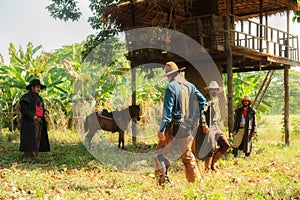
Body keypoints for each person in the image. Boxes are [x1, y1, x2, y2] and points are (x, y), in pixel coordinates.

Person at [154, 61, 206, 186]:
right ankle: (198, 183)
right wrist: (195, 118)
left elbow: (168, 109)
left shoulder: (171, 87)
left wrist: (162, 129)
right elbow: (203, 101)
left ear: (168, 75)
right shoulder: (190, 86)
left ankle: (164, 181)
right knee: (187, 155)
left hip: (173, 126)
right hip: (187, 125)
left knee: (159, 153)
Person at [195, 81, 230, 172]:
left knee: (225, 145)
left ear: (217, 90)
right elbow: (201, 112)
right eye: (212, 89)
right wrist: (204, 124)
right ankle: (207, 168)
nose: (214, 91)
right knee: (211, 148)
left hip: (216, 125)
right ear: (209, 90)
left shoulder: (216, 98)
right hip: (209, 125)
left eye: (215, 89)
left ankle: (213, 164)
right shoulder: (206, 100)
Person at [19, 79, 50, 160]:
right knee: (30, 138)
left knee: (37, 138)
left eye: (39, 87)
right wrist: (32, 116)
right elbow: (23, 109)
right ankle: (28, 156)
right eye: (37, 87)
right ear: (32, 88)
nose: (39, 89)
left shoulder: (39, 98)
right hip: (30, 122)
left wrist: (45, 111)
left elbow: (40, 108)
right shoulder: (26, 97)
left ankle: (35, 155)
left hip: (39, 121)